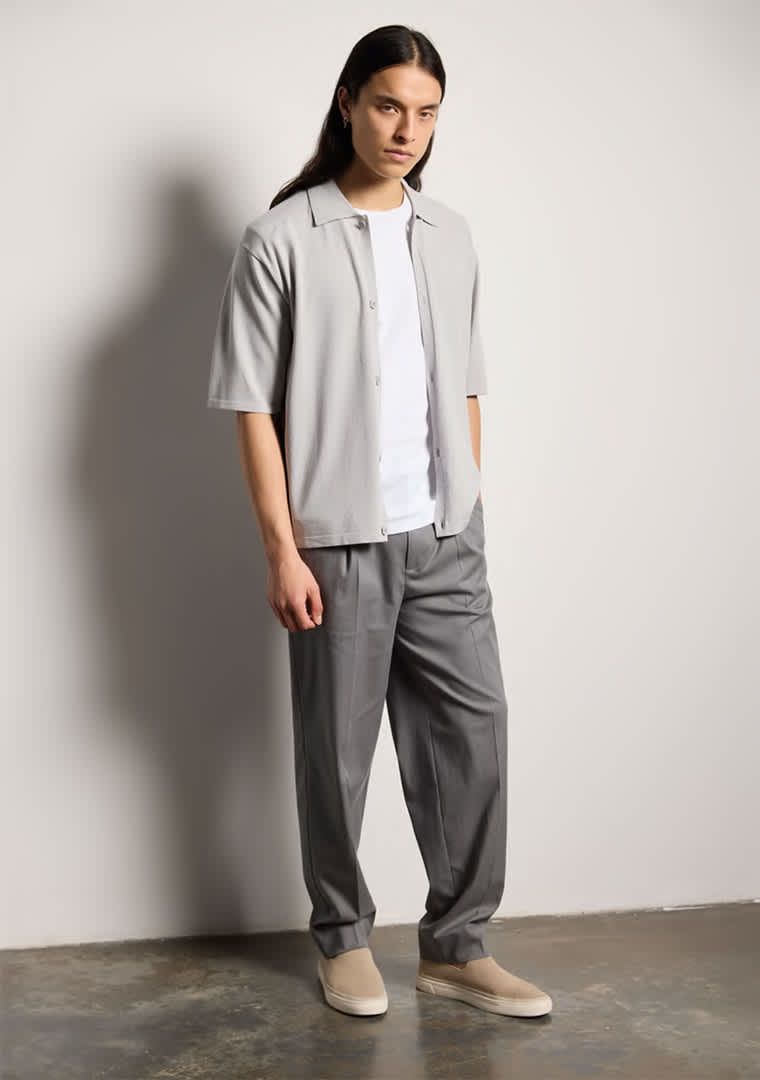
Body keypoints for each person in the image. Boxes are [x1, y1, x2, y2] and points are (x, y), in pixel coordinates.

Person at [208, 24, 552, 1020]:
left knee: (474, 736)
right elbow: (250, 407)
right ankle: (343, 938)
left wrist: (466, 499)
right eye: (391, 105)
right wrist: (283, 548)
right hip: (337, 540)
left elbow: (469, 383)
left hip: (446, 536)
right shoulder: (281, 239)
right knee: (336, 751)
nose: (408, 129)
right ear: (349, 103)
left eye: (427, 113)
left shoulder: (450, 234)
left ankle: (457, 945)